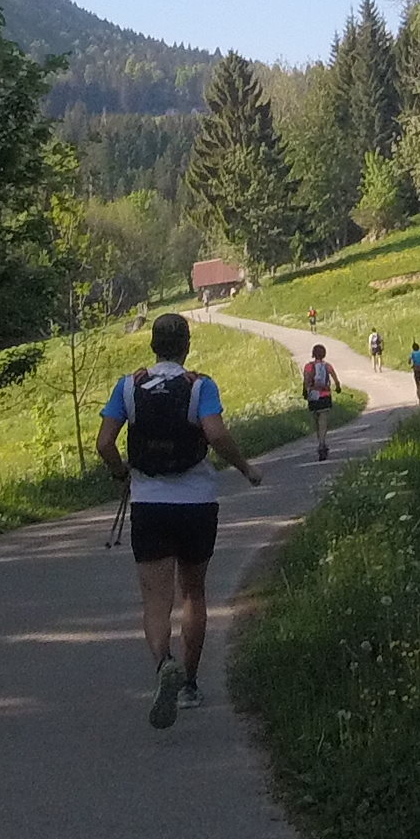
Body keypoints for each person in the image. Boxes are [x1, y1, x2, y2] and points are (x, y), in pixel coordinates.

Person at [97, 311, 267, 728]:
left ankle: (164, 665)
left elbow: (104, 443)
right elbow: (216, 434)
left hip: (149, 504)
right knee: (193, 592)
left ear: (152, 345)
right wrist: (245, 468)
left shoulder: (128, 387)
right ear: (186, 346)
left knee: (156, 600)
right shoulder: (200, 386)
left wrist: (121, 473)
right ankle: (189, 685)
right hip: (197, 502)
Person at [300, 341, 338, 460]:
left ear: (313, 354)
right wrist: (338, 387)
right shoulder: (327, 366)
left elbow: (306, 381)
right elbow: (335, 379)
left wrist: (305, 392)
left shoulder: (308, 366)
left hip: (313, 397)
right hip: (325, 396)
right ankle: (322, 443)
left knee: (316, 422)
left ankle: (321, 442)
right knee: (323, 422)